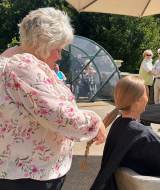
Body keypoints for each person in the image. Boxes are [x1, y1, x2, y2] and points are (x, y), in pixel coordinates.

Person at [0, 7, 106, 190]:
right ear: (42, 43)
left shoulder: (9, 60)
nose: (59, 56)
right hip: (30, 178)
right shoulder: (24, 67)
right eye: (57, 48)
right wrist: (94, 122)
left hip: (21, 173)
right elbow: (57, 114)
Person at [90, 76, 160, 190]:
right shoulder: (141, 134)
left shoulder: (118, 125)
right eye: (146, 94)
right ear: (137, 101)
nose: (147, 98)